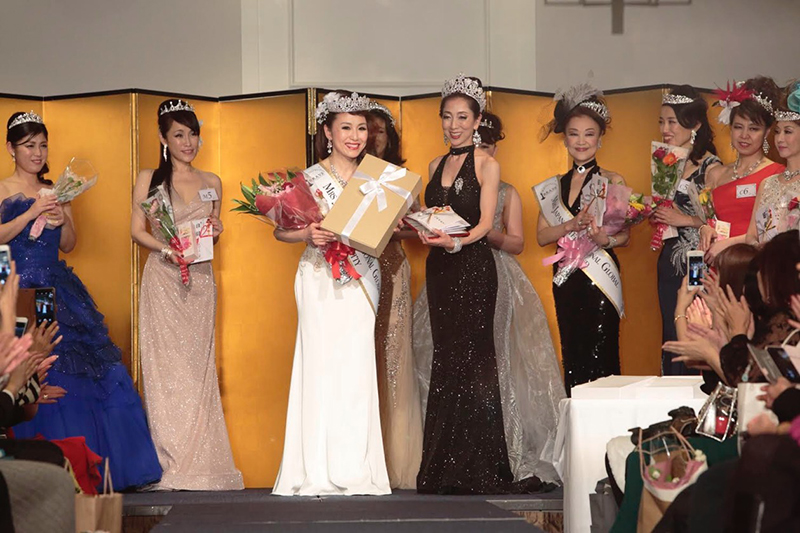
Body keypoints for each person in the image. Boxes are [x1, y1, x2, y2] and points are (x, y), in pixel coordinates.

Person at [2, 111, 161, 490]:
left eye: (42, 145)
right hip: (18, 289)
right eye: (28, 146)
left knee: (74, 365)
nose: (37, 153)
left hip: (55, 289)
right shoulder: (3, 188)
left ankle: (99, 466)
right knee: (37, 365)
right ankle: (43, 471)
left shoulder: (57, 189)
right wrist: (31, 212)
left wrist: (61, 218)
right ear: (10, 149)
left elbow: (71, 245)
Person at [415, 111, 564, 484]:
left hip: (486, 268)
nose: (481, 147)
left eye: (488, 143)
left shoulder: (503, 187)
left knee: (493, 361)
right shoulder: (439, 168)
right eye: (448, 117)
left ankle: (490, 453)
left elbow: (516, 242)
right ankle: (445, 457)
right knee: (445, 360)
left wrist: (474, 232)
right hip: (445, 267)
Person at [272, 91, 390, 496]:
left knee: (356, 368)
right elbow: (280, 230)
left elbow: (382, 232)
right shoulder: (306, 179)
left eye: (362, 128)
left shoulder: (377, 179)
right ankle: (317, 468)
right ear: (327, 131)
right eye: (346, 128)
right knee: (320, 366)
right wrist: (307, 233)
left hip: (359, 278)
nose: (355, 136)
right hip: (319, 277)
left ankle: (355, 466)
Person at [131, 99, 242, 491]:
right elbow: (136, 230)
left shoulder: (212, 181)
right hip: (163, 280)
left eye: (193, 134)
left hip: (200, 280)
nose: (188, 142)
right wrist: (167, 250)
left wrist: (217, 229)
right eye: (178, 135)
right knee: (165, 369)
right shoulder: (149, 178)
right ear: (163, 138)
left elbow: (212, 230)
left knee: (197, 369)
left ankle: (202, 460)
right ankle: (170, 460)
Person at [536, 85, 629, 394]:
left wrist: (605, 239)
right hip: (566, 277)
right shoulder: (554, 186)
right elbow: (541, 236)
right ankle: (576, 418)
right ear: (565, 139)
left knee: (602, 350)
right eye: (574, 134)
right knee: (572, 351)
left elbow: (625, 236)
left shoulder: (613, 180)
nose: (581, 141)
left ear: (600, 138)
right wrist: (570, 225)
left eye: (589, 134)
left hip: (599, 277)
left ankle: (606, 420)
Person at [366, 102, 423, 490]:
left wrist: (399, 226)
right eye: (365, 129)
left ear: (391, 137)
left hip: (393, 267)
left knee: (394, 356)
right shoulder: (346, 177)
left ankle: (398, 458)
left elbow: (416, 225)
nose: (372, 137)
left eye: (379, 131)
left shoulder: (400, 179)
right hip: (355, 271)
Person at [653, 86, 721, 375]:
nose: (665, 129)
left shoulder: (711, 167)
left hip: (697, 261)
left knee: (694, 326)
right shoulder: (667, 162)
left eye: (672, 122)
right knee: (671, 329)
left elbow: (717, 223)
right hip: (669, 259)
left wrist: (686, 220)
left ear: (695, 125)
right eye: (662, 122)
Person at [700, 77, 784, 261]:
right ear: (730, 129)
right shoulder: (715, 173)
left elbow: (772, 231)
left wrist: (728, 244)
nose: (744, 135)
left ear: (766, 132)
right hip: (716, 262)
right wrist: (704, 229)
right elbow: (709, 220)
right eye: (738, 127)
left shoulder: (777, 173)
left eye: (753, 129)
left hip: (754, 263)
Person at [746, 81, 800, 244]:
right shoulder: (767, 184)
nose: (780, 139)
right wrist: (762, 249)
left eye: (788, 131)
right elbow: (751, 236)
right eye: (777, 131)